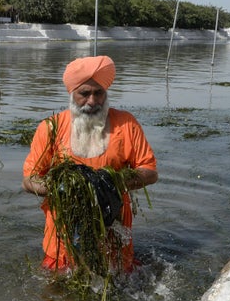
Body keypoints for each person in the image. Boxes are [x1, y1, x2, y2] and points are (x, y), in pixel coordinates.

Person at [22, 55, 158, 273]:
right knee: (57, 293)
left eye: (99, 93)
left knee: (120, 286)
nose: (93, 101)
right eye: (84, 94)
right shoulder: (51, 128)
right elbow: (29, 179)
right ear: (71, 94)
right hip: (62, 239)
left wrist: (114, 182)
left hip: (114, 232)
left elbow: (149, 171)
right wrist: (61, 190)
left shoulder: (126, 123)